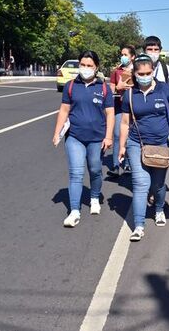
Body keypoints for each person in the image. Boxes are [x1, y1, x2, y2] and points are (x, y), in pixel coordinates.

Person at [118, 54, 169, 241]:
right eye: (141, 73)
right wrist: (122, 146)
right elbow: (125, 123)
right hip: (136, 143)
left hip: (162, 144)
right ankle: (139, 225)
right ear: (135, 73)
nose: (145, 76)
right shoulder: (130, 94)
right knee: (140, 184)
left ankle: (159, 208)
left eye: (148, 72)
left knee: (158, 184)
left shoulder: (165, 90)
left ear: (153, 72)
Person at [52, 50, 115, 228]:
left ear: (96, 68)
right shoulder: (71, 86)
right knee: (76, 173)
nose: (86, 68)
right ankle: (74, 211)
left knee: (95, 170)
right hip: (75, 137)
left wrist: (109, 136)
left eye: (90, 66)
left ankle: (94, 197)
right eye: (83, 65)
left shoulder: (103, 88)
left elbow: (110, 114)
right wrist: (57, 133)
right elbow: (64, 110)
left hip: (97, 138)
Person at [107, 45, 136, 177]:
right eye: (122, 54)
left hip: (135, 107)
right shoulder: (116, 71)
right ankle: (116, 165)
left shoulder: (138, 71)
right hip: (119, 106)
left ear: (132, 57)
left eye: (125, 54)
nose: (123, 57)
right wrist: (118, 87)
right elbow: (110, 90)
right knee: (118, 134)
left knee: (131, 135)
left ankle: (129, 163)